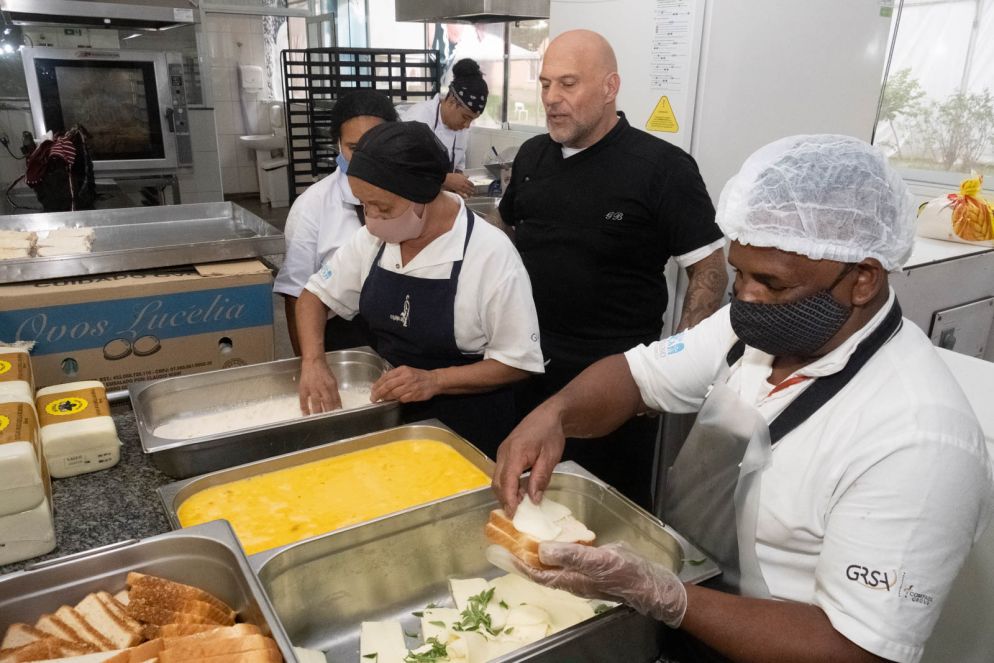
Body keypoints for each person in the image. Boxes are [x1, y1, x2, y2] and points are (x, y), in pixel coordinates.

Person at [492, 134, 994, 663]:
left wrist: (669, 597)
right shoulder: (758, 329)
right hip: (695, 614)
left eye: (771, 284)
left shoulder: (918, 440)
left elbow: (857, 650)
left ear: (862, 279)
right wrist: (556, 414)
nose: (746, 298)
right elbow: (635, 377)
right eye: (740, 274)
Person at [497, 29, 728, 509]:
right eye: (544, 85)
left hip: (613, 389)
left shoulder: (661, 168)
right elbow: (507, 236)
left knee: (604, 519)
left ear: (609, 87)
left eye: (568, 84)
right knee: (526, 506)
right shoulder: (532, 157)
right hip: (526, 370)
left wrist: (671, 368)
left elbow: (710, 271)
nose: (551, 99)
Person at [295, 120, 544, 457]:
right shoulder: (372, 240)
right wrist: (313, 361)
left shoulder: (490, 256)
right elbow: (313, 297)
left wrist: (435, 380)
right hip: (391, 418)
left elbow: (518, 362)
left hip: (465, 431)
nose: (371, 218)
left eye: (383, 208)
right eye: (364, 205)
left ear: (422, 197)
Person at [273, 89, 398, 355]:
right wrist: (307, 363)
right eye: (354, 148)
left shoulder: (409, 196)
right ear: (338, 144)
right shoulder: (313, 206)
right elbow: (296, 295)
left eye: (376, 143)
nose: (366, 157)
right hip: (344, 336)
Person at [400, 58, 488, 199]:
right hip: (410, 199)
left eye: (472, 120)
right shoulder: (418, 119)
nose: (467, 125)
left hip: (439, 199)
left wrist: (459, 179)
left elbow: (459, 162)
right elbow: (401, 168)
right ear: (452, 101)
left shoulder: (461, 128)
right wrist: (444, 179)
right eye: (466, 117)